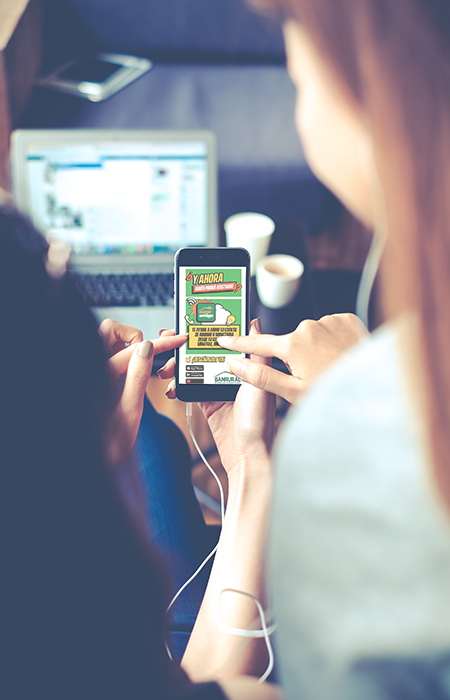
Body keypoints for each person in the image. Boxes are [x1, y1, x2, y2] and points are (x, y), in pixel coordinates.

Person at [158, 1, 450, 698]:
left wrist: (367, 410)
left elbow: (208, 687)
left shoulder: (354, 443)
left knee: (151, 450)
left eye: (299, 82)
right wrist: (250, 468)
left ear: (373, 93)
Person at [0, 205, 281, 700]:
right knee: (154, 435)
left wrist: (78, 443)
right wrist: (248, 461)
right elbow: (204, 686)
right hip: (175, 632)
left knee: (152, 431)